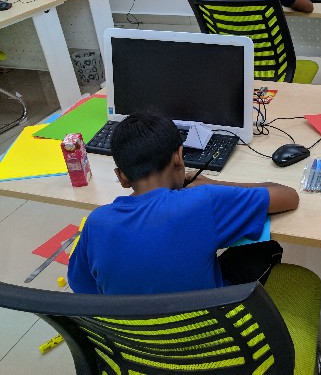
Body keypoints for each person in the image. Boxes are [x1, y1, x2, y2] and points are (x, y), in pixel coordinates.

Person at [68, 112, 299, 295]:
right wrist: (215, 185)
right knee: (265, 248)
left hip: (136, 339)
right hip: (212, 333)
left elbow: (82, 286)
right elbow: (288, 196)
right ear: (179, 157)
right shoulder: (203, 201)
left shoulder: (96, 223)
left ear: (122, 177)